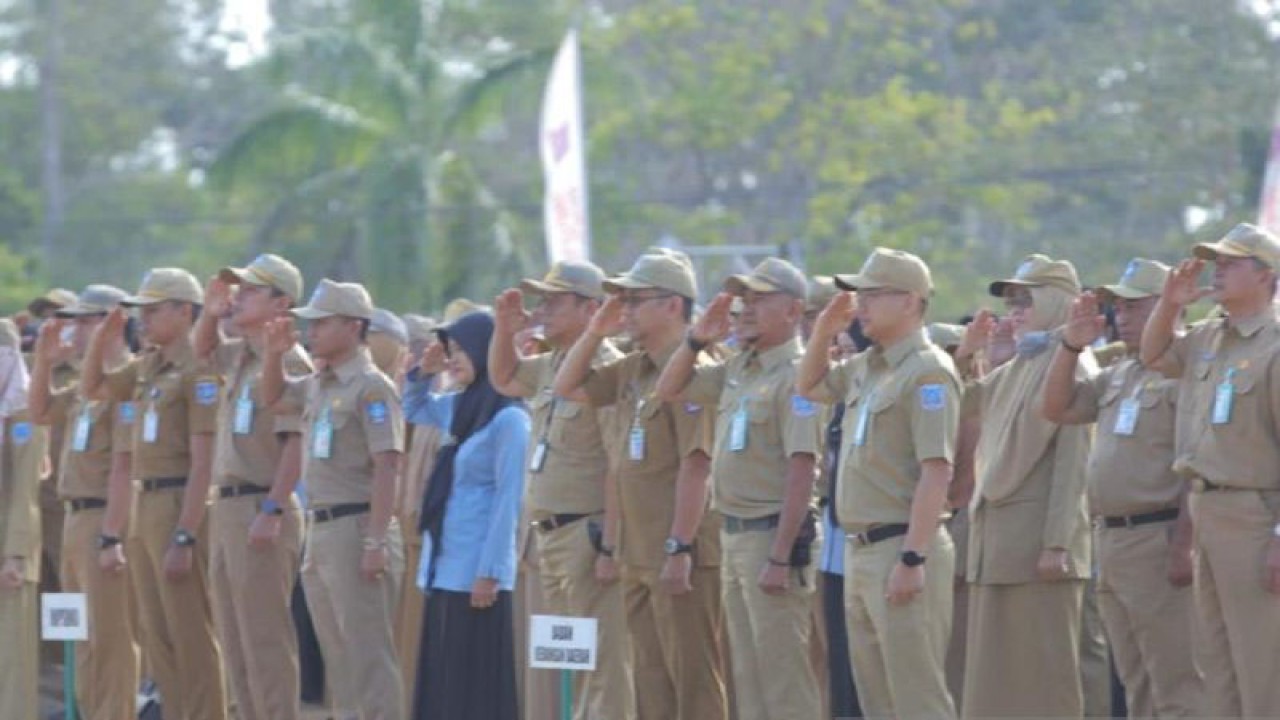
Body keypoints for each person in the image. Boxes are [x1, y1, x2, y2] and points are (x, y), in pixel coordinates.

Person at [553, 249, 728, 720]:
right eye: (622, 301)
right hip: (638, 553)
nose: (624, 310)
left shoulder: (697, 369)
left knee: (693, 683)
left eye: (635, 300)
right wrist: (595, 331)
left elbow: (696, 465)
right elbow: (567, 387)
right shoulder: (635, 368)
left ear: (672, 305)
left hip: (678, 553)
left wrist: (680, 546)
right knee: (650, 682)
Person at [656, 258, 824, 720]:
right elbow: (670, 389)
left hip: (771, 537)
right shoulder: (739, 369)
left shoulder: (798, 373)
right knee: (747, 682)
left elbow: (802, 469)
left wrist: (780, 554)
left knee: (784, 682)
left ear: (793, 311)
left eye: (760, 299)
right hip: (733, 534)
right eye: (743, 300)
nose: (746, 309)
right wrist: (695, 340)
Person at [797, 248, 959, 719]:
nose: (859, 306)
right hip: (861, 549)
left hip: (901, 545)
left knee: (917, 697)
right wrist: (825, 331)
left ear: (909, 301)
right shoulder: (869, 366)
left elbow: (937, 470)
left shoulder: (927, 370)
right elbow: (808, 386)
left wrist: (913, 556)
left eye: (872, 295)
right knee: (877, 698)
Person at [1042, 258, 1203, 717]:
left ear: (1171, 306)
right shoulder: (1122, 372)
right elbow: (1056, 407)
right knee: (1136, 682)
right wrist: (1070, 347)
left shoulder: (1185, 371)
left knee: (1178, 680)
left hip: (1159, 535)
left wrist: (1184, 545)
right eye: (1119, 307)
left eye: (1136, 306)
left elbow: (1196, 462)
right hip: (1112, 540)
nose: (1124, 317)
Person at [1139, 223, 1280, 717]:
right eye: (1215, 262)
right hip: (1207, 510)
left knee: (1263, 661)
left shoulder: (1275, 343)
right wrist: (1171, 304)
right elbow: (1152, 354)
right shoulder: (1206, 336)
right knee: (1217, 661)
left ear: (1266, 276)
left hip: (1253, 515)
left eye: (1232, 263)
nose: (1218, 271)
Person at [488, 261, 635, 720]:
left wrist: (610, 544)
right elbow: (504, 378)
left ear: (591, 308)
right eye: (542, 300)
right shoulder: (553, 362)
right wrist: (504, 330)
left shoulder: (607, 368)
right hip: (549, 536)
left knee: (603, 666)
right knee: (568, 662)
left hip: (586, 535)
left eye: (555, 300)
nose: (543, 309)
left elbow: (617, 465)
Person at [83, 267, 228, 720]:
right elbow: (93, 388)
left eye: (152, 309)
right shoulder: (148, 365)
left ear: (185, 312)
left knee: (191, 634)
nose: (142, 319)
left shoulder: (198, 370)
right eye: (139, 311)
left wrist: (186, 534)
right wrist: (100, 341)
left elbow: (203, 462)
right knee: (157, 634)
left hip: (177, 502)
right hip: (145, 505)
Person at [954, 254, 1093, 718]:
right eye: (1011, 300)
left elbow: (1072, 467)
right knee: (996, 680)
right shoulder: (1019, 365)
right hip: (997, 547)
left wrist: (1057, 543)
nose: (1015, 311)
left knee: (1044, 678)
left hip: (1037, 549)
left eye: (1025, 299)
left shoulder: (1070, 365)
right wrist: (967, 355)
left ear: (1057, 302)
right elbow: (964, 403)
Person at [260, 278, 406, 720]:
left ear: (350, 326)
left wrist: (376, 541)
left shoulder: (370, 386)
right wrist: (273, 353)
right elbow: (272, 397)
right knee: (337, 659)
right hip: (322, 531)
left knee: (369, 657)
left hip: (357, 526)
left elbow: (388, 465)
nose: (311, 332)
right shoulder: (318, 382)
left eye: (321, 324)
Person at [193, 254, 312, 720]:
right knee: (235, 638)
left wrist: (274, 507)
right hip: (227, 508)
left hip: (261, 504)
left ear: (281, 303)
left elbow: (295, 444)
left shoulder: (289, 362)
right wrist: (210, 310)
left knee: (264, 638)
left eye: (251, 290)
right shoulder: (242, 355)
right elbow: (201, 350)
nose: (237, 297)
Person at [402, 310, 529, 720]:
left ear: (488, 352)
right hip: (443, 563)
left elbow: (509, 501)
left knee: (473, 684)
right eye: (450, 350)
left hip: (477, 571)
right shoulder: (459, 407)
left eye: (461, 351)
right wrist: (425, 370)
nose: (454, 359)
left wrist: (490, 571)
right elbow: (414, 408)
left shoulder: (510, 419)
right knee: (443, 678)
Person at [29, 285, 140, 719]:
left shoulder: (125, 384)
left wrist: (112, 534)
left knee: (108, 636)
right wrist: (43, 360)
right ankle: (85, 710)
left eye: (86, 320)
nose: (75, 329)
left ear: (112, 323)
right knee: (76, 632)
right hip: (72, 520)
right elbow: (38, 412)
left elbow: (124, 468)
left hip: (101, 520)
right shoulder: (81, 387)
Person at [0, 317, 48, 719]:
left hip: (7, 554)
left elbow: (26, 491)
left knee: (11, 660)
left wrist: (15, 554)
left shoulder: (23, 415)